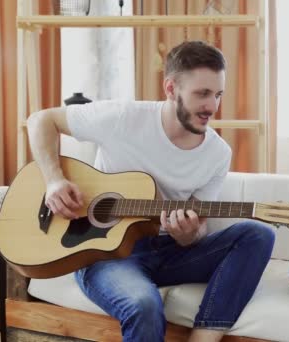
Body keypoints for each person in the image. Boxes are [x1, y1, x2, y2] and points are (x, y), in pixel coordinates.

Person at [26, 40, 275, 342]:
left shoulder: (217, 153)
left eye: (218, 94)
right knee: (142, 303)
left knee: (258, 234)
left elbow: (197, 227)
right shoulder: (123, 118)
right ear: (170, 89)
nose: (212, 106)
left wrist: (188, 235)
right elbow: (41, 120)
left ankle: (204, 336)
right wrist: (54, 180)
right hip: (105, 254)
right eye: (202, 93)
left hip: (169, 252)